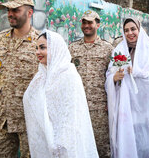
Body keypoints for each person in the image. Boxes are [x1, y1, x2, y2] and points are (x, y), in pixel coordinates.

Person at [105, 17, 149, 158]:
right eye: (126, 30)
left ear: (139, 30)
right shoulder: (119, 50)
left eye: (133, 29)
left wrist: (137, 73)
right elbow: (110, 73)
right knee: (128, 139)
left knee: (146, 142)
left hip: (146, 107)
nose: (130, 33)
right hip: (126, 107)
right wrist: (114, 78)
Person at [0, 0, 39, 157]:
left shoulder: (40, 42)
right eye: (8, 10)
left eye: (15, 10)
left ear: (29, 13)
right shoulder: (1, 39)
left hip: (29, 118)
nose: (10, 14)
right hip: (3, 116)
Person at [23, 30, 99, 158]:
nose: (37, 52)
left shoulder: (69, 74)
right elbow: (30, 100)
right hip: (45, 140)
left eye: (42, 48)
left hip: (64, 143)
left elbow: (71, 113)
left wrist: (58, 140)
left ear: (55, 48)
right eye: (36, 48)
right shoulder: (41, 75)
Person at [68, 10, 114, 157]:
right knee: (78, 146)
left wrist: (111, 101)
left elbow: (113, 78)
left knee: (101, 147)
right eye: (84, 22)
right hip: (77, 106)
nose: (87, 25)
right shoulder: (72, 48)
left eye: (90, 22)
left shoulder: (108, 49)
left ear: (98, 25)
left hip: (99, 108)